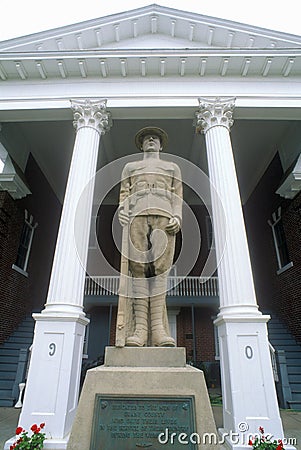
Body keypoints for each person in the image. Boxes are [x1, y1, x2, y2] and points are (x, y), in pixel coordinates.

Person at [118, 126, 182, 347]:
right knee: (138, 270)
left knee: (160, 270)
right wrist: (122, 210)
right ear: (141, 144)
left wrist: (178, 216)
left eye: (155, 138)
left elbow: (177, 195)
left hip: (163, 215)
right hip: (137, 216)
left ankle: (159, 330)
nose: (151, 139)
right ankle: (139, 330)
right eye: (146, 138)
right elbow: (124, 194)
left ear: (161, 145)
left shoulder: (172, 167)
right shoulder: (130, 167)